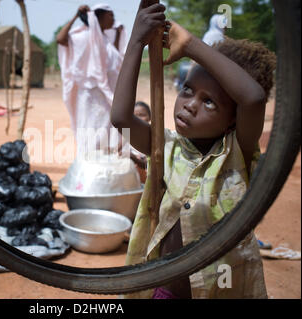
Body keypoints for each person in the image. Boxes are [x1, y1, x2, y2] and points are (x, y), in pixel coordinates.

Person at [111, 1, 276, 299]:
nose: (190, 104)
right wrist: (136, 42)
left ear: (233, 120)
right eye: (187, 89)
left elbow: (252, 99)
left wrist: (189, 45)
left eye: (209, 101)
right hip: (165, 291)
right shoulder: (165, 148)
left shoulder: (237, 153)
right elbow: (121, 119)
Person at [56, 3, 126, 156]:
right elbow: (61, 39)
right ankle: (88, 166)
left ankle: (104, 166)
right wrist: (76, 16)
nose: (113, 19)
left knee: (107, 132)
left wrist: (119, 34)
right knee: (91, 130)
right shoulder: (83, 36)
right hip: (91, 95)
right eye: (110, 15)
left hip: (107, 95)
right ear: (99, 16)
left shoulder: (104, 39)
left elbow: (112, 57)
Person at [130, 101, 151, 183]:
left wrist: (134, 158)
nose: (138, 119)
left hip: (146, 181)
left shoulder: (153, 137)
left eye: (142, 115)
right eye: (134, 116)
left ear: (150, 117)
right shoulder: (125, 135)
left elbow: (151, 164)